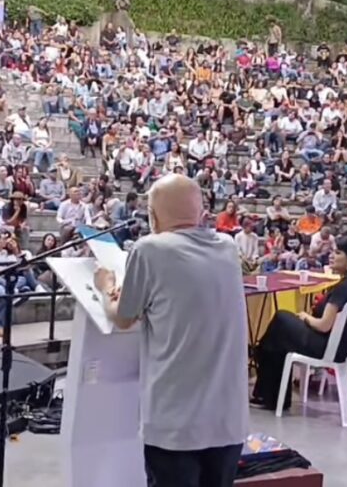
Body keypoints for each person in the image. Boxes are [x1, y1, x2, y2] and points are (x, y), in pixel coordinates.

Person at [93, 174, 248, 486]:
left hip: (176, 425)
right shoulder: (227, 247)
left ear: (152, 216)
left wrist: (106, 287)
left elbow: (122, 318)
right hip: (227, 421)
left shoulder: (150, 249)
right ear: (201, 213)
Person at [252, 233, 347, 410]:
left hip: (329, 347)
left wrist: (306, 317)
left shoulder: (344, 289)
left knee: (280, 321)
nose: (331, 255)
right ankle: (270, 393)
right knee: (276, 338)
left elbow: (323, 325)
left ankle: (269, 392)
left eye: (338, 253)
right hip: (343, 345)